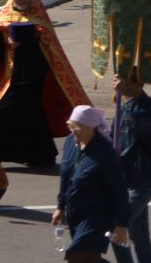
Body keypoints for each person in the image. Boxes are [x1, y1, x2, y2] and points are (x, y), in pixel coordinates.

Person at [0, 0, 91, 167]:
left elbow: (49, 43)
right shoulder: (5, 14)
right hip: (12, 74)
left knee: (27, 112)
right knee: (7, 113)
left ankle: (37, 156)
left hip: (33, 72)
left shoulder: (37, 12)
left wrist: (30, 39)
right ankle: (30, 155)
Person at [54, 105, 130, 263]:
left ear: (92, 128)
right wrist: (60, 206)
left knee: (76, 255)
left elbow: (119, 189)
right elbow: (65, 178)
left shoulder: (104, 151)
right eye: (71, 126)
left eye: (78, 127)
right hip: (75, 211)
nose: (73, 130)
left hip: (98, 216)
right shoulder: (70, 143)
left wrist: (122, 224)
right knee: (91, 258)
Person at [112, 69, 151, 263]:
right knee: (139, 236)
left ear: (136, 84)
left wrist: (122, 101)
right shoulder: (124, 107)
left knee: (117, 229)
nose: (118, 85)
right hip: (125, 179)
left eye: (122, 81)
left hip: (143, 179)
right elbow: (112, 136)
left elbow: (137, 126)